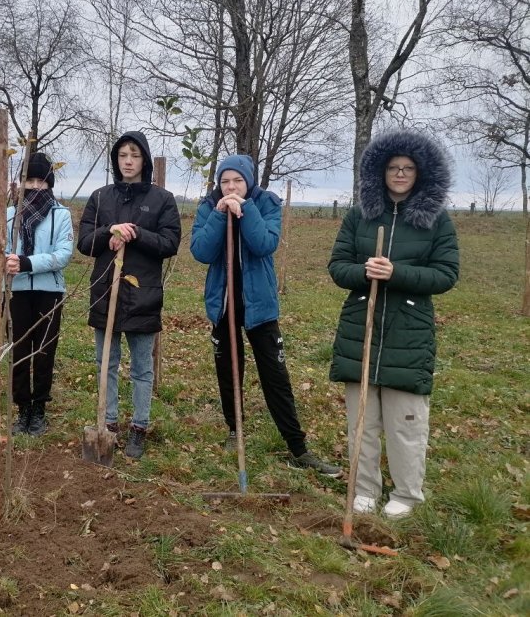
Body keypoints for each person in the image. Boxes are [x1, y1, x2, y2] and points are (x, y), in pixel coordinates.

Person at [329, 129, 459, 519]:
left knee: (406, 421)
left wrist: (397, 273)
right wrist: (363, 270)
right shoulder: (360, 215)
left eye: (407, 168)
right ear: (380, 172)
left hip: (409, 331)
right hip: (361, 326)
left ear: (420, 173)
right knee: (363, 419)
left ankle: (406, 492)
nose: (399, 174)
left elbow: (446, 274)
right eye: (392, 167)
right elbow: (337, 266)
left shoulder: (435, 221)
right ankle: (365, 488)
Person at [190, 155, 342, 476]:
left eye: (237, 181)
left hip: (260, 306)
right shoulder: (208, 206)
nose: (230, 187)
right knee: (229, 371)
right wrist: (219, 216)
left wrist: (245, 211)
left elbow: (264, 244)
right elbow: (201, 251)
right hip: (225, 304)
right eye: (225, 181)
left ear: (249, 181)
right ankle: (235, 430)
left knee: (275, 374)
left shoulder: (267, 203)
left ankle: (297, 446)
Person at [77, 131, 180, 459]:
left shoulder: (162, 199)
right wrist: (108, 232)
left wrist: (136, 234)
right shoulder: (100, 197)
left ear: (144, 160)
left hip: (143, 294)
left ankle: (138, 426)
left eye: (134, 155)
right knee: (105, 361)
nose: (128, 161)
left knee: (140, 367)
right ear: (116, 160)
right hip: (106, 290)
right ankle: (107, 422)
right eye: (123, 155)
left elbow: (170, 243)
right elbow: (84, 242)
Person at [5, 152, 74, 436]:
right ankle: (23, 409)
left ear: (49, 184)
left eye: (40, 181)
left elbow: (63, 254)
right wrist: (6, 261)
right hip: (16, 292)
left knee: (44, 352)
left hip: (49, 292)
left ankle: (39, 409)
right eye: (28, 180)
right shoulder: (9, 214)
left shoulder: (62, 215)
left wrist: (27, 263)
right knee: (19, 351)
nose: (34, 186)